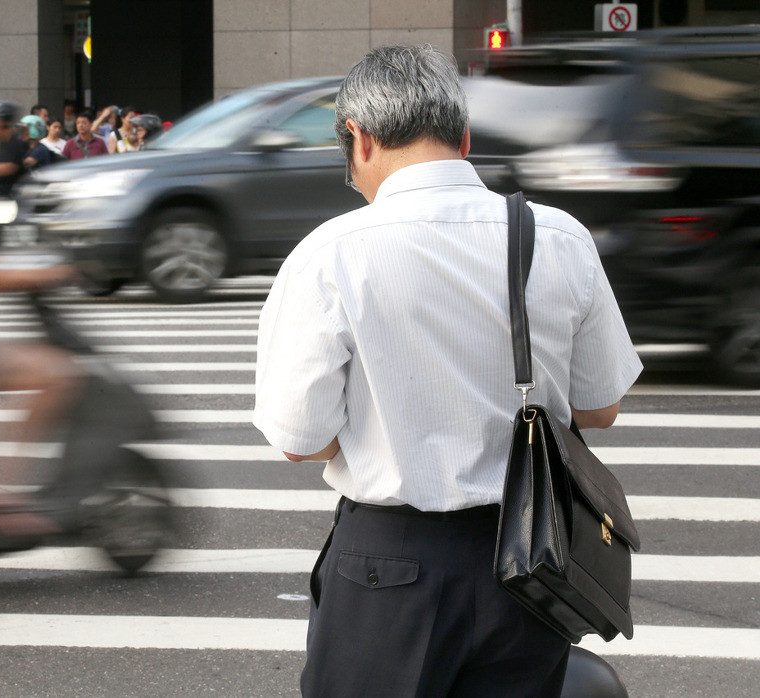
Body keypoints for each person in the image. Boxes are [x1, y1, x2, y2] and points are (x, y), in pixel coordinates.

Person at [253, 45, 643, 697]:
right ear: (463, 138)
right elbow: (600, 409)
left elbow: (302, 440)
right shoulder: (558, 237)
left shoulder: (330, 255)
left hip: (389, 567)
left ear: (359, 138)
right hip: (531, 563)